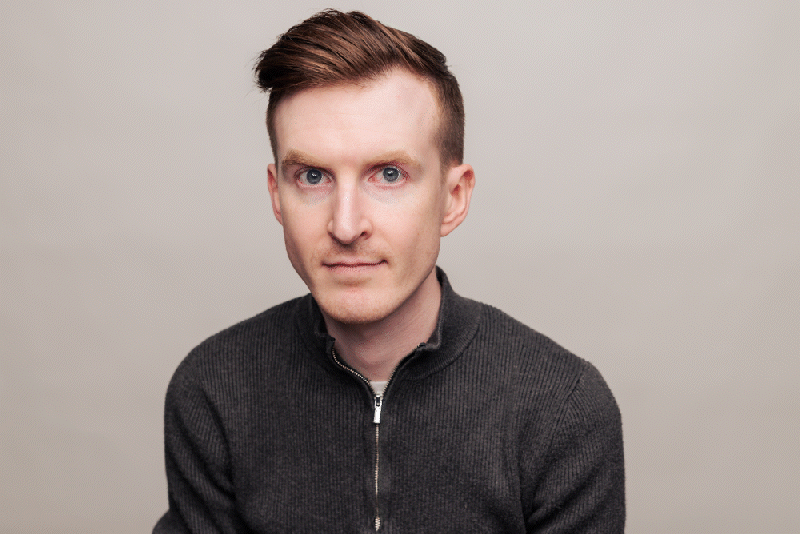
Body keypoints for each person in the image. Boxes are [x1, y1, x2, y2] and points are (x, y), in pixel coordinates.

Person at [154, 9, 624, 533]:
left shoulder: (561, 408)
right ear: (276, 195)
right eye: (312, 176)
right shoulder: (215, 390)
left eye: (389, 174)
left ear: (452, 197)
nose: (347, 224)